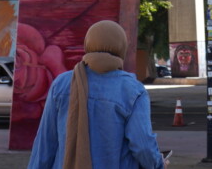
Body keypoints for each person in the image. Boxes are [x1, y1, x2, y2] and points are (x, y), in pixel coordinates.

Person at [27, 20, 166, 169]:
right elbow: (142, 145)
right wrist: (158, 164)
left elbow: (45, 143)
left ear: (88, 44)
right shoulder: (133, 90)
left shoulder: (62, 84)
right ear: (121, 48)